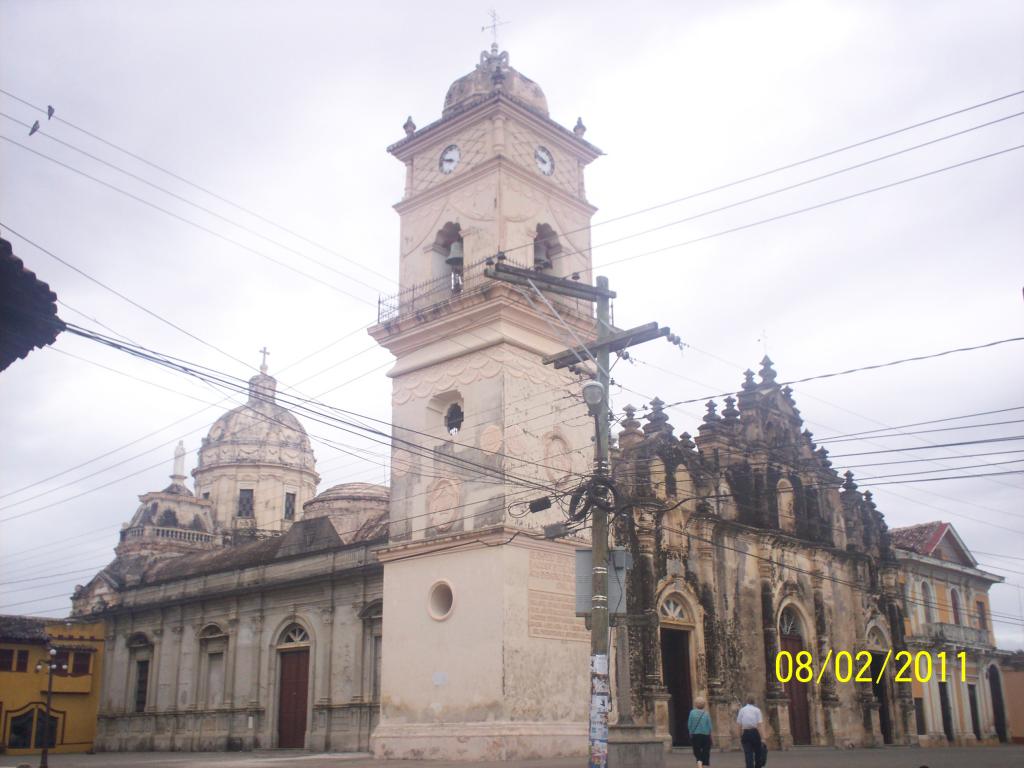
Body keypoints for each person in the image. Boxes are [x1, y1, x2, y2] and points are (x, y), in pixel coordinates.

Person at [735, 696, 764, 768]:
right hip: (755, 732)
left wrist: (739, 735)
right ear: (754, 702)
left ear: (747, 701)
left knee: (748, 753)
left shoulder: (742, 710)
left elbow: (739, 724)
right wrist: (763, 737)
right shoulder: (757, 710)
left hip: (746, 733)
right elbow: (759, 725)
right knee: (758, 752)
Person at [687, 696, 712, 767]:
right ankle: (704, 763)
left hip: (695, 734)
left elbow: (689, 724)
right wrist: (710, 734)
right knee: (705, 750)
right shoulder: (706, 714)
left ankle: (699, 761)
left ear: (695, 704)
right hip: (705, 735)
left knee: (696, 749)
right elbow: (709, 725)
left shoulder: (692, 713)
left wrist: (690, 732)